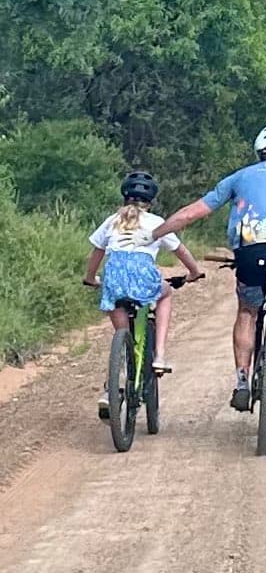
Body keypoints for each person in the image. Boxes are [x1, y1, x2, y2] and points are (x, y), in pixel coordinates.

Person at [134, 127, 266, 411]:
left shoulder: (240, 177)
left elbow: (192, 213)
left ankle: (242, 382)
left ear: (259, 152)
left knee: (247, 310)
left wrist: (154, 234)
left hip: (250, 255)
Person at [84, 170, 203, 415]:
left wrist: (90, 278)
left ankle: (112, 388)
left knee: (122, 332)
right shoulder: (156, 222)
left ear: (125, 196)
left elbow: (97, 252)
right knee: (166, 293)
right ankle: (159, 354)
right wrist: (194, 272)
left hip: (114, 278)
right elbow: (181, 251)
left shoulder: (111, 220)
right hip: (143, 277)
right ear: (151, 201)